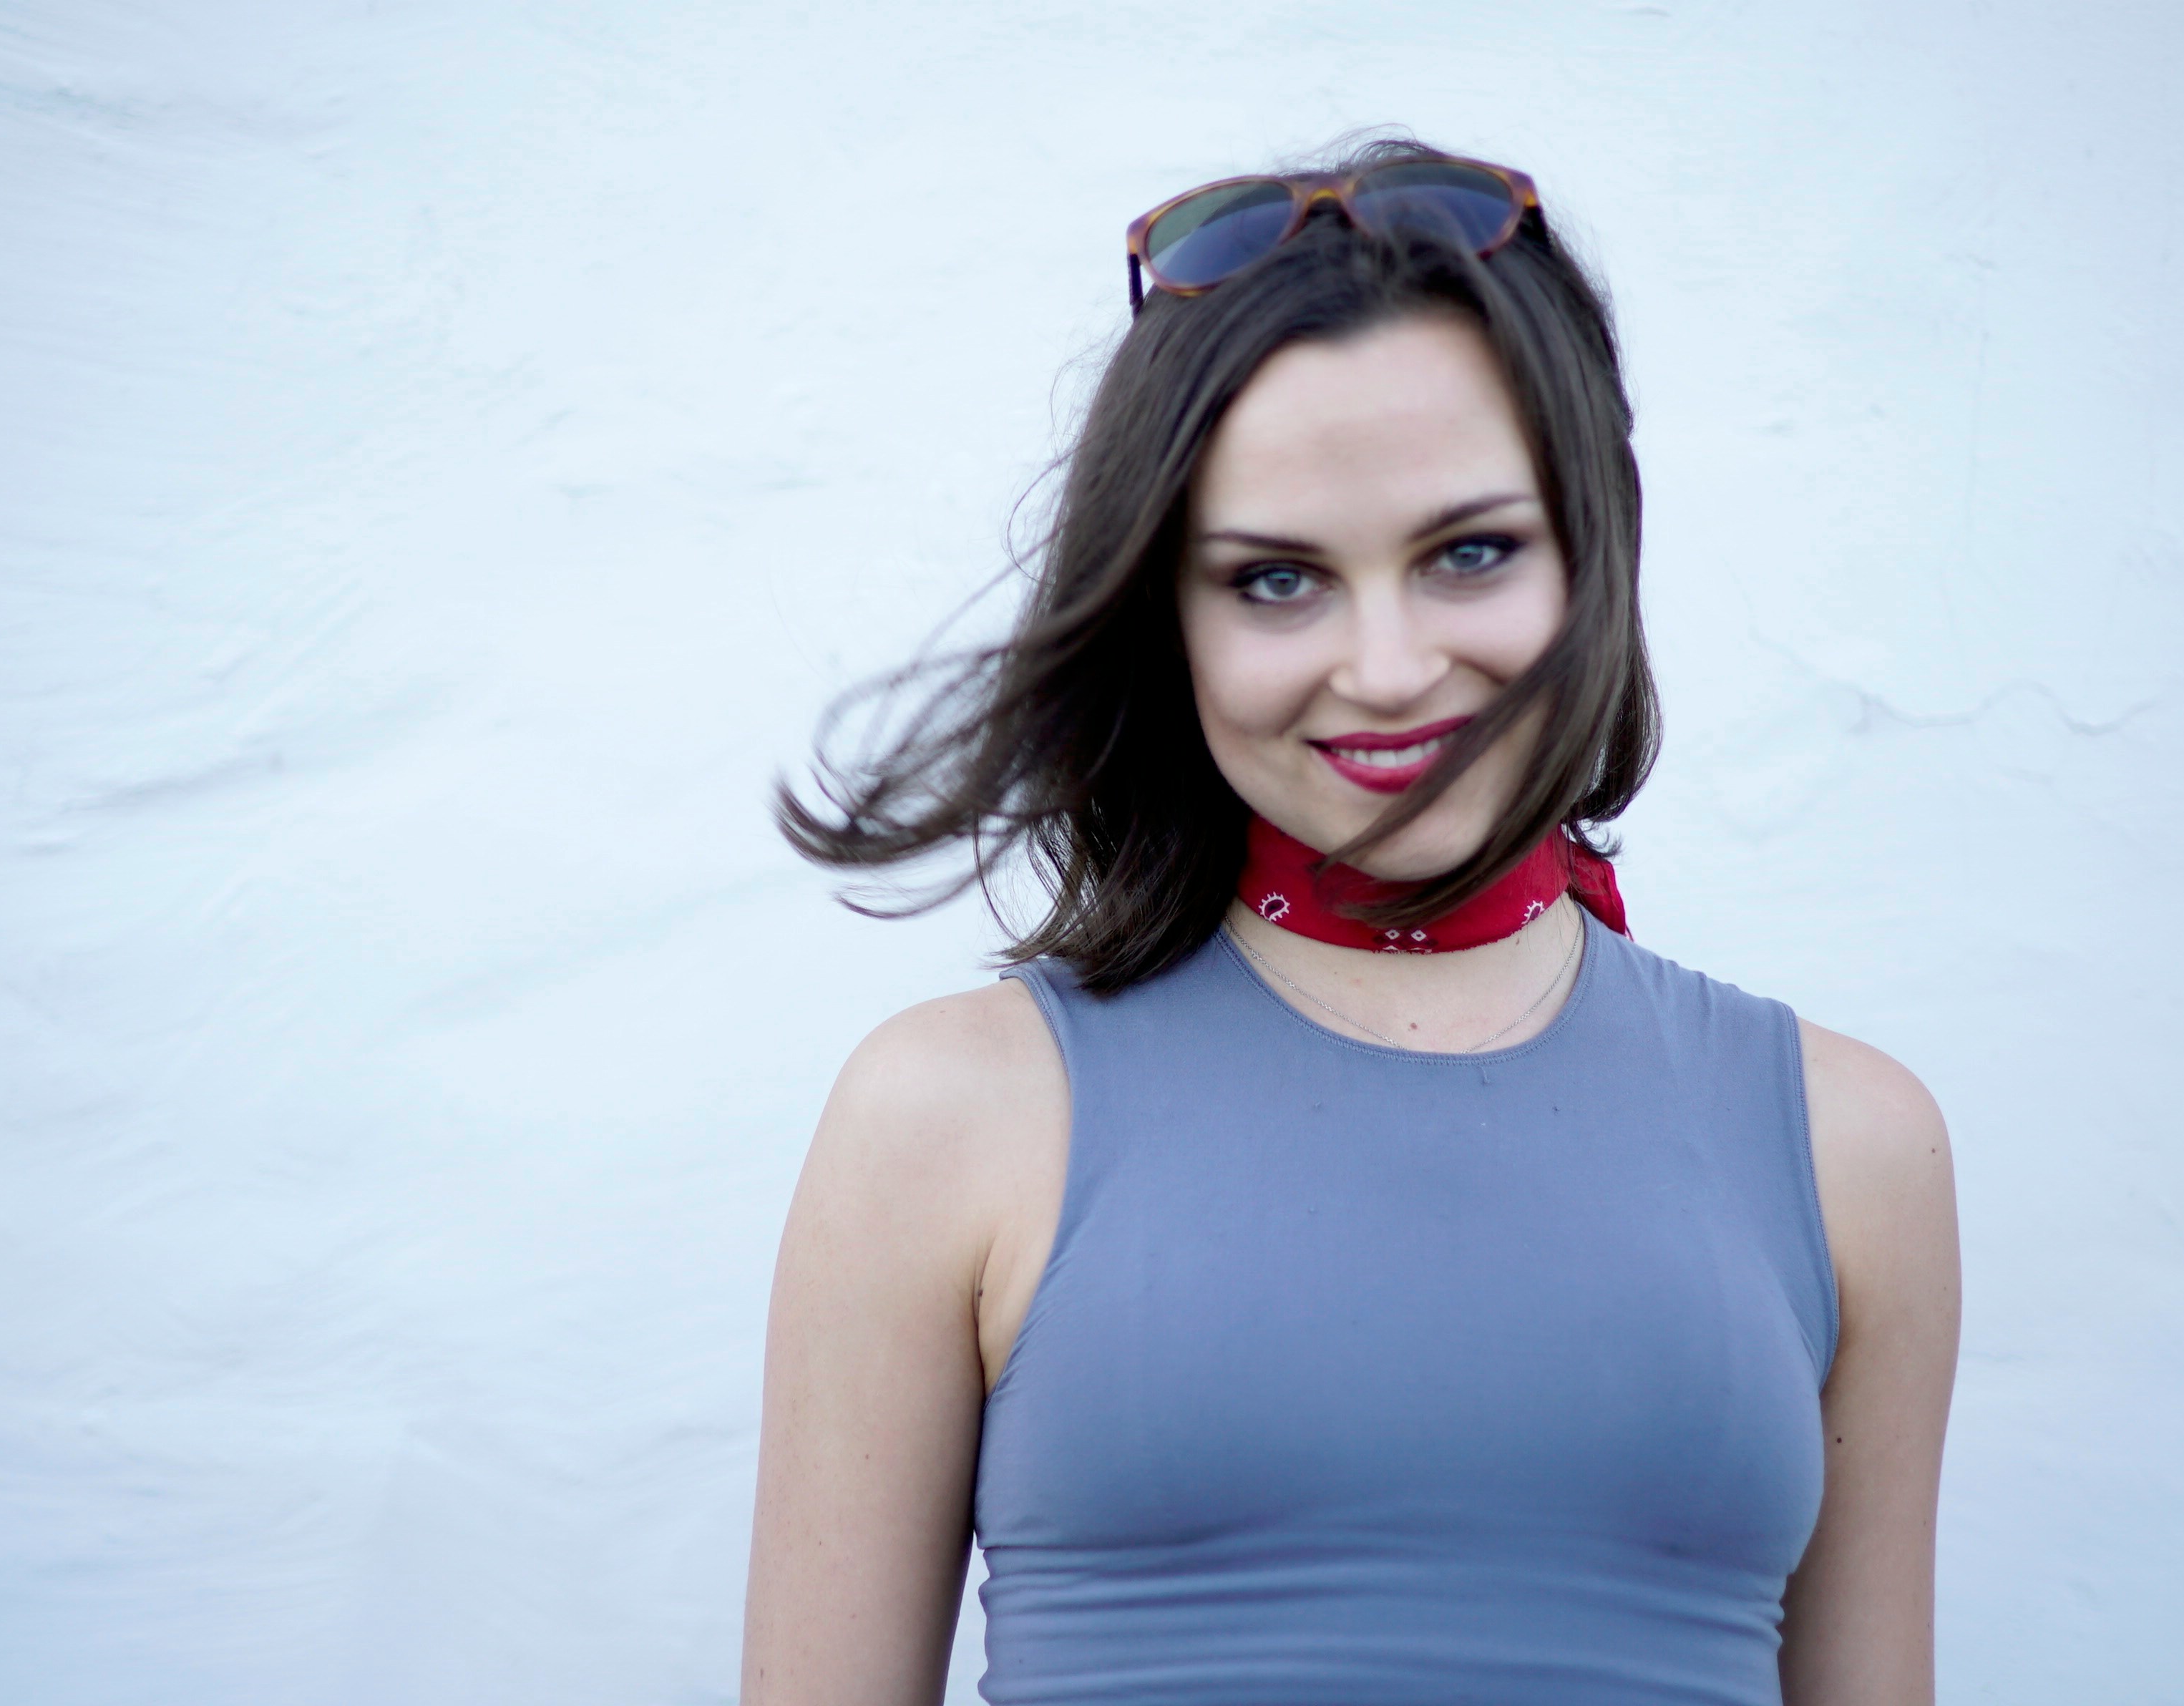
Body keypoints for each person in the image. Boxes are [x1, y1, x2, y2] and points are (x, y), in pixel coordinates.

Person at [743, 138, 1960, 1705]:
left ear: (1592, 547)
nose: (1385, 667)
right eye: (1272, 581)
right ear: (1160, 613)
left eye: (1468, 553)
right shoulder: (947, 1119)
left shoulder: (1849, 1146)